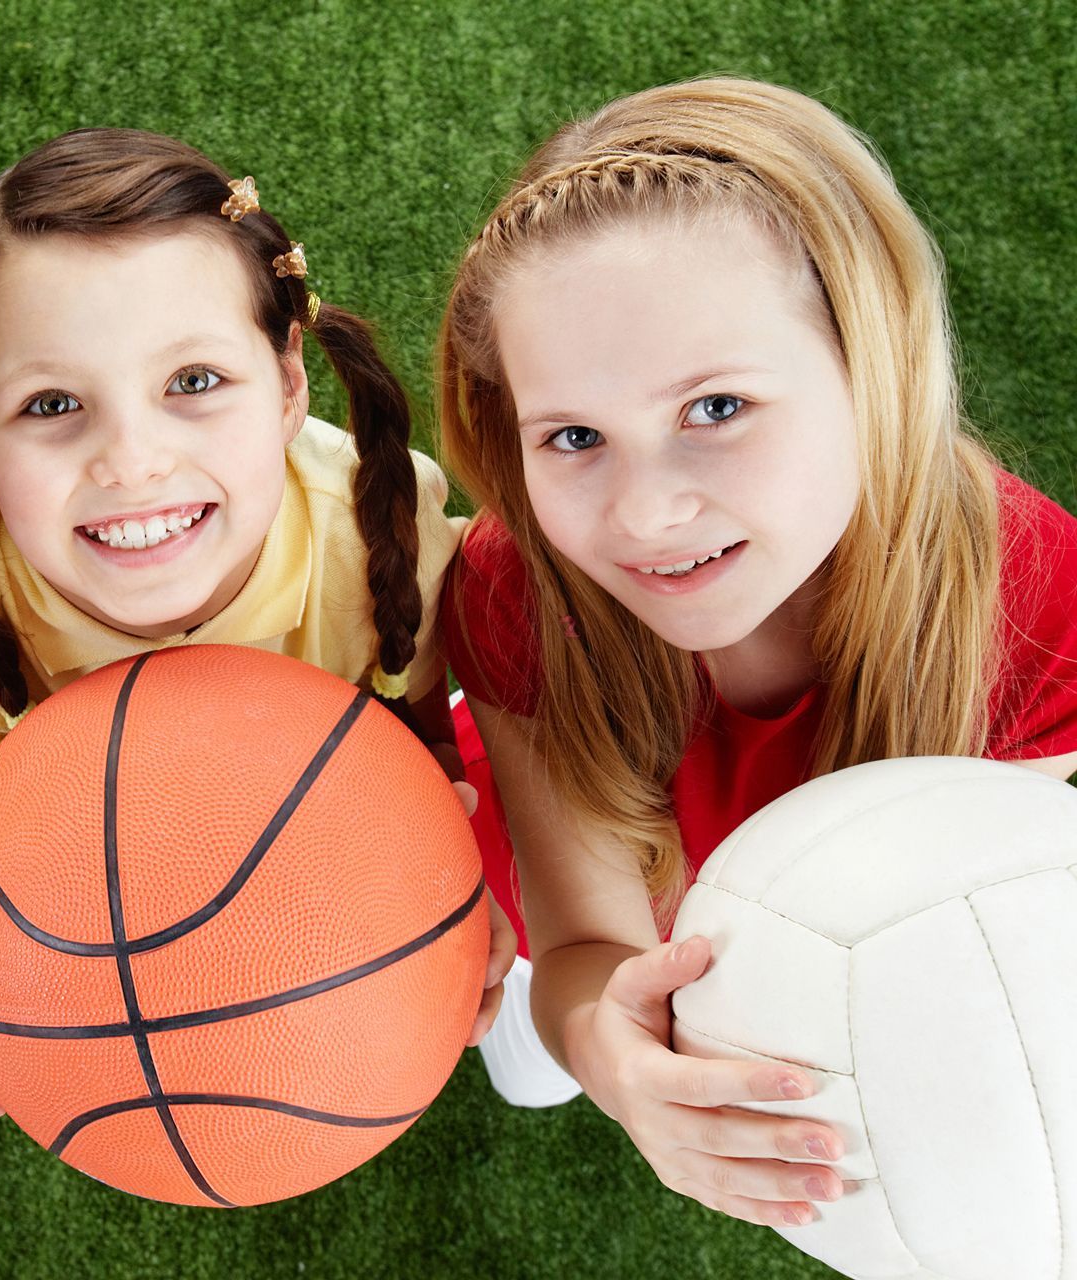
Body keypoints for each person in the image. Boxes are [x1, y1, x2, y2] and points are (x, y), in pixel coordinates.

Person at [437, 78, 1077, 1224]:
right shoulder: (514, 580)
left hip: (802, 956)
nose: (645, 514)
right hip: (581, 907)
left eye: (717, 407)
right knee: (544, 1053)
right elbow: (589, 935)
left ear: (868, 361)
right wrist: (612, 1054)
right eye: (574, 436)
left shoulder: (1032, 591)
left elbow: (987, 921)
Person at [0, 128, 514, 1114]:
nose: (133, 461)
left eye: (194, 382)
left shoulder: (380, 529)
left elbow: (421, 749)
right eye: (52, 402)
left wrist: (444, 896)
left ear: (289, 382)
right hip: (88, 874)